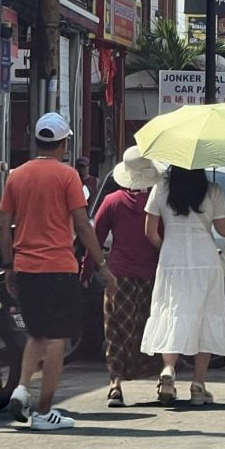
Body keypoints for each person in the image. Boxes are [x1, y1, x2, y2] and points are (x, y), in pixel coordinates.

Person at [0, 113, 116, 431]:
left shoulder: (16, 176)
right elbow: (82, 225)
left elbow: (4, 225)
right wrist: (102, 264)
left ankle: (22, 388)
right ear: (63, 144)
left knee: (36, 334)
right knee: (57, 340)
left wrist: (9, 265)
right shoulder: (68, 177)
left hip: (25, 267)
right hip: (58, 267)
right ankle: (43, 411)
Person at [143, 167, 225, 407]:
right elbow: (224, 230)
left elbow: (150, 232)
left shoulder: (160, 189)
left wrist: (167, 248)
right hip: (205, 260)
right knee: (206, 316)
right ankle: (198, 384)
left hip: (172, 258)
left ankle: (168, 370)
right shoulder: (213, 190)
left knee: (171, 311)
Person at [90, 147, 163, 407]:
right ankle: (163, 381)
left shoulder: (112, 201)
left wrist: (87, 269)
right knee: (151, 329)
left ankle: (115, 385)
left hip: (118, 276)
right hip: (152, 276)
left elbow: (95, 238)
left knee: (116, 331)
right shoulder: (157, 203)